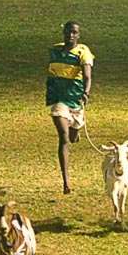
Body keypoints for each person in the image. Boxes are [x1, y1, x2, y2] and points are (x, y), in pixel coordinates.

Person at [45, 20, 94, 194]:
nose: (71, 35)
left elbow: (87, 76)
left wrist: (86, 93)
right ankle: (66, 182)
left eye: (74, 32)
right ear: (64, 32)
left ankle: (76, 129)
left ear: (78, 34)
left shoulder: (83, 52)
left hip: (76, 102)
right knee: (64, 138)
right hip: (60, 101)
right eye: (68, 32)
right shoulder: (55, 51)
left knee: (72, 137)